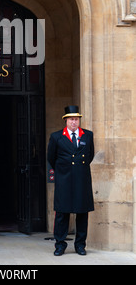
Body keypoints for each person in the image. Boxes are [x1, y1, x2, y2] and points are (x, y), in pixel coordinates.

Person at [47, 105, 94, 256]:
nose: (74, 122)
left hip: (82, 179)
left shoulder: (87, 135)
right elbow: (51, 157)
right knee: (62, 213)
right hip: (64, 179)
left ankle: (80, 245)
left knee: (82, 213)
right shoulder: (56, 137)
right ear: (65, 120)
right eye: (71, 119)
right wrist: (63, 171)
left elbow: (90, 156)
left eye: (76, 119)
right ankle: (60, 245)